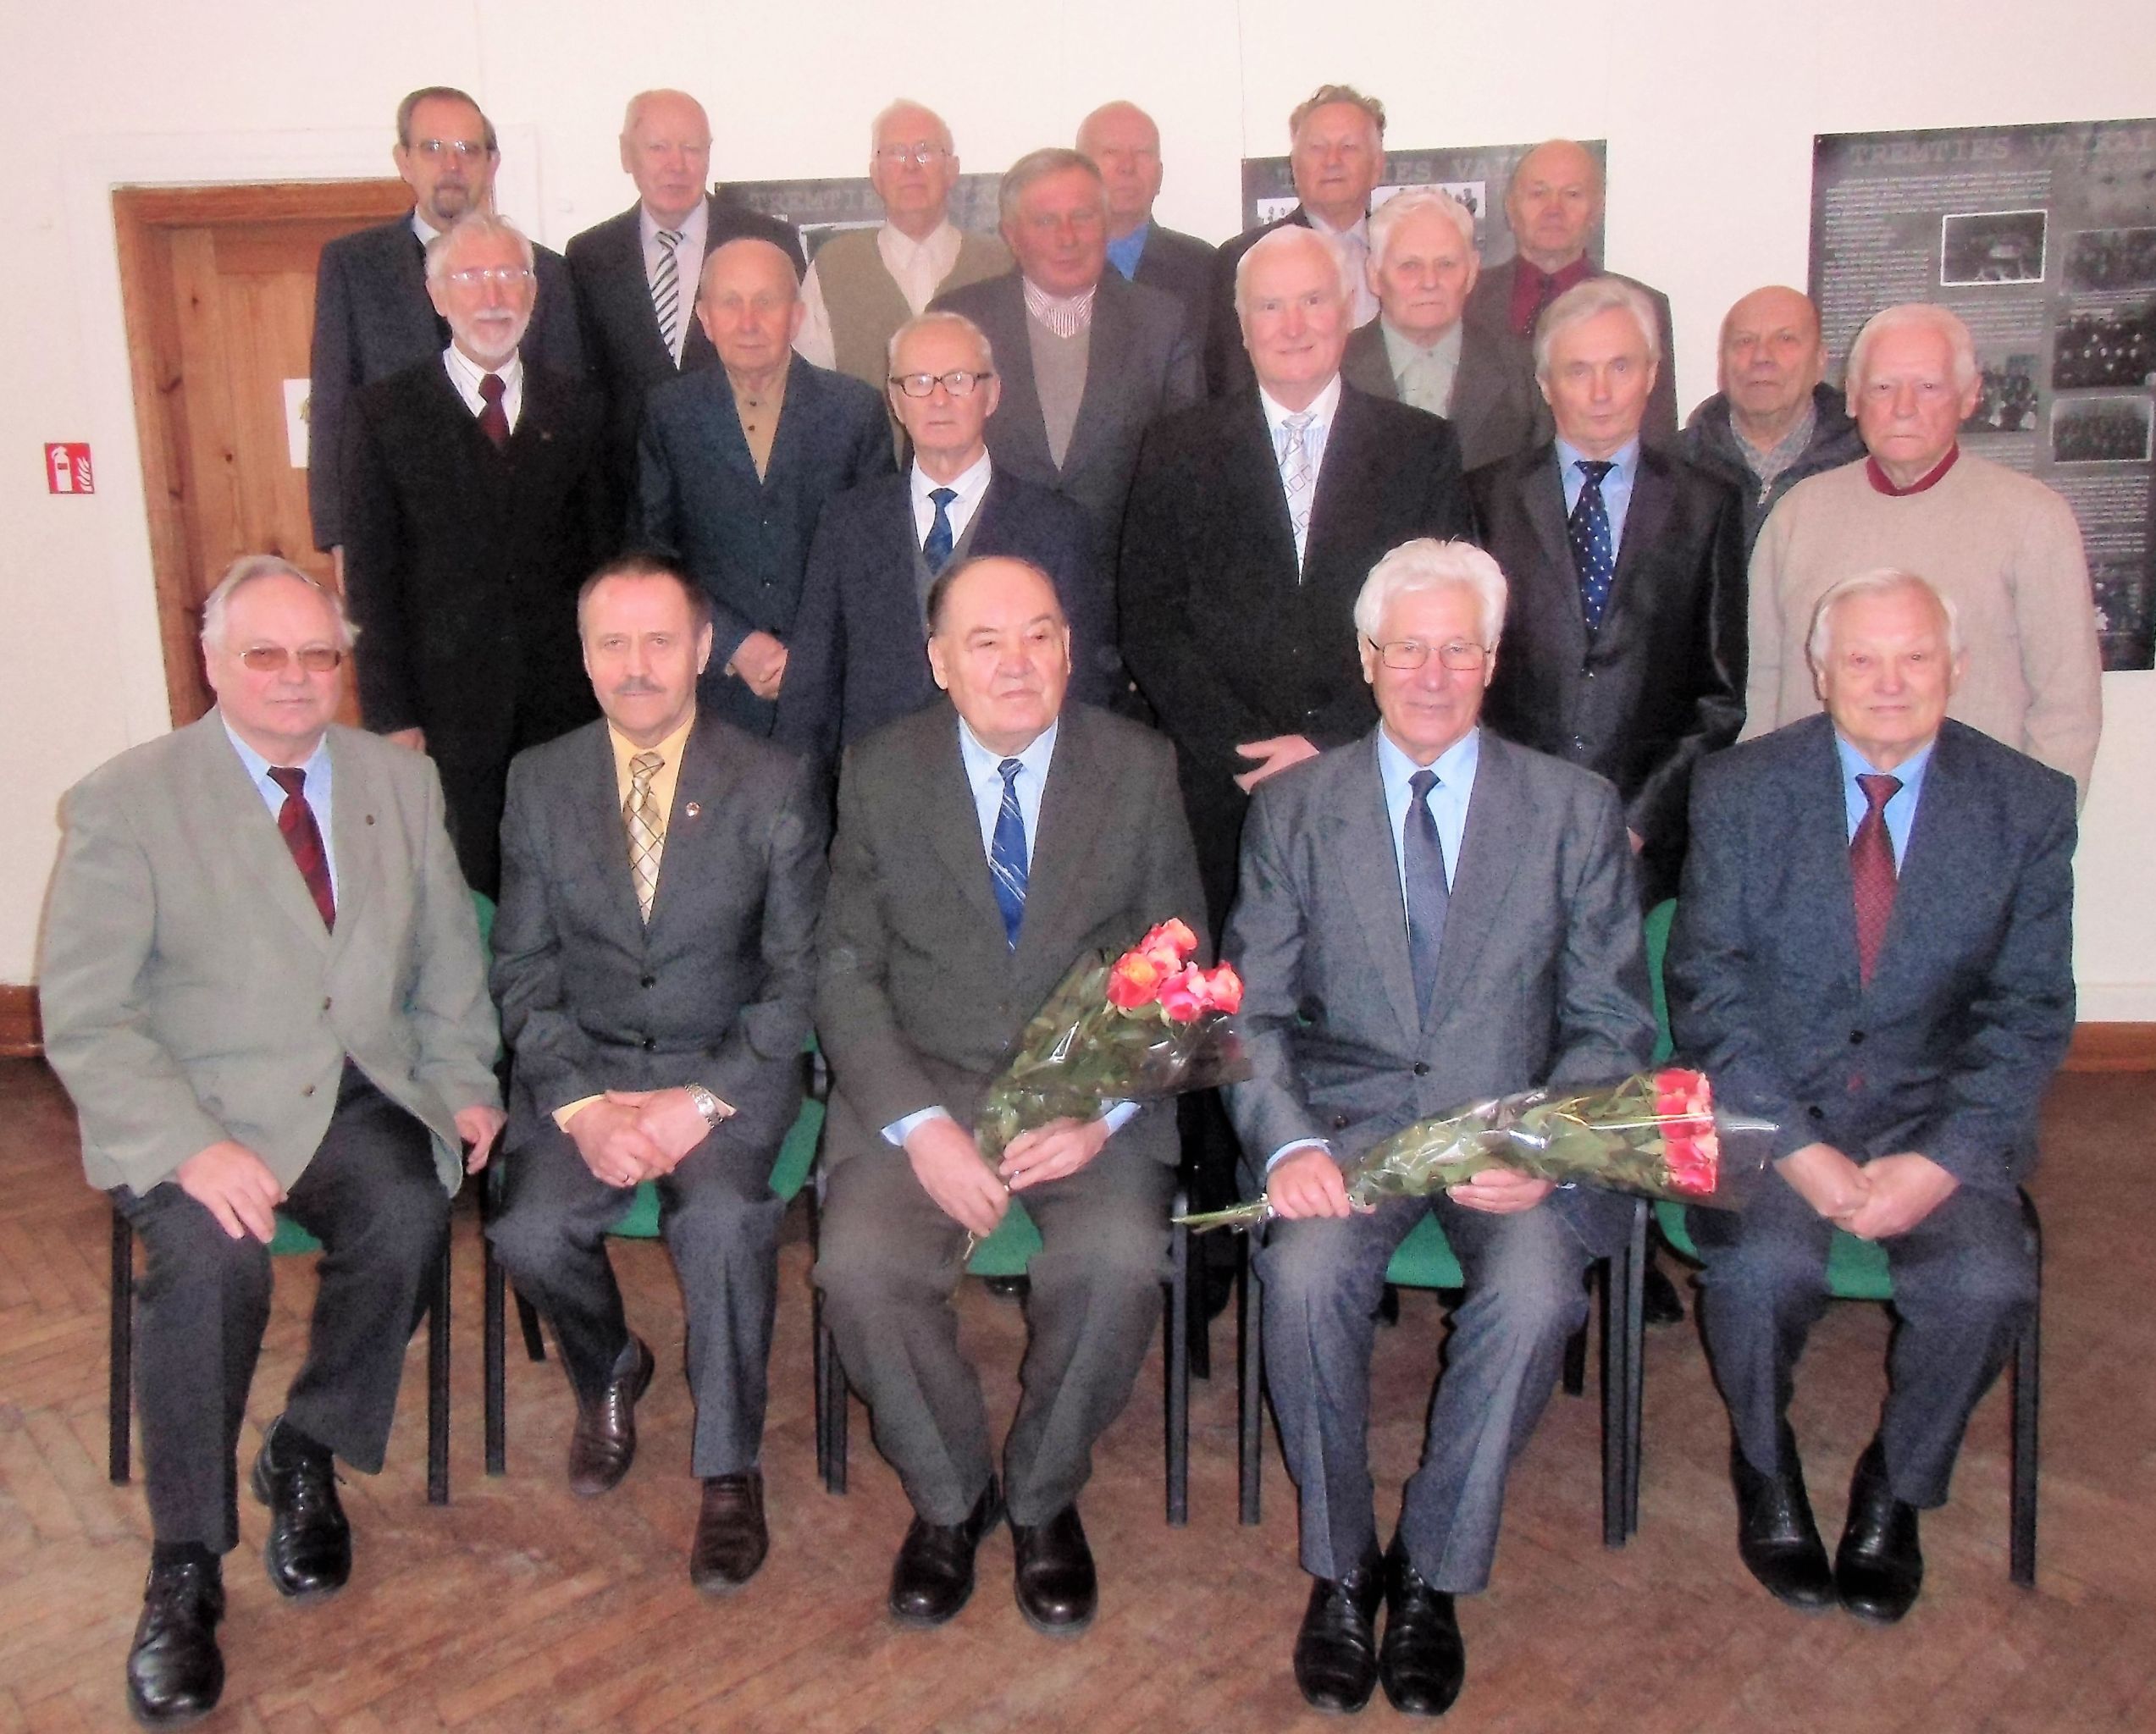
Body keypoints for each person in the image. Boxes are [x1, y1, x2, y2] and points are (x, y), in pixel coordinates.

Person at [41, 557, 503, 1726]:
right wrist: (188, 1145)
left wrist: (462, 1081)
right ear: (211, 661)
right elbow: (88, 1017)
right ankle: (185, 1566)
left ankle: (307, 1446)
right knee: (213, 1267)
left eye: (318, 655)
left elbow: (449, 959)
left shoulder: (399, 784)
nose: (295, 678)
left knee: (408, 1210)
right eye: (265, 654)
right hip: (193, 1109)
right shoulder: (127, 801)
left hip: (348, 1095)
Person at [1225, 538, 1654, 1716]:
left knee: (1534, 1296)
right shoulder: (1295, 811)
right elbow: (1250, 1012)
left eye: (1455, 649)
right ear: (1366, 658)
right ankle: (1340, 1565)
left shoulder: (1572, 809)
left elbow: (1612, 1019)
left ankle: (1428, 1568)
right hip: (1347, 1128)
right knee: (1301, 1277)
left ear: (1491, 660)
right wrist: (1288, 1142)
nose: (1430, 673)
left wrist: (1545, 1143)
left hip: (1513, 1128)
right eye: (1406, 648)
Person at [1668, 568, 2075, 1625]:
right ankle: (1764, 1464)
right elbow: (1708, 993)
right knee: (1760, 1270)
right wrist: (1796, 1148)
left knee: (1986, 1283)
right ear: (1819, 672)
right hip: (1772, 1108)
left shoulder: (2025, 804)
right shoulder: (1738, 791)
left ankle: (1895, 1483)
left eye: (1913, 657)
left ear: (1955, 667)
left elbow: (2028, 1009)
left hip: (1934, 1117)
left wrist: (1941, 1161)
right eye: (1860, 658)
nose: (1888, 682)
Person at [813, 555, 1206, 1637]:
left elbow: (1176, 956)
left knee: (1118, 1262)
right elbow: (843, 970)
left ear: (1069, 650)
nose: (1016, 661)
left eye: (1038, 634)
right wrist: (920, 1127)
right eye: (984, 641)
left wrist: (1102, 1110)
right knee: (860, 1268)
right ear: (940, 661)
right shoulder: (879, 770)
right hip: (924, 1079)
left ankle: (1040, 1491)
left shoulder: (1136, 767)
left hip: (1083, 1082)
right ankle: (949, 1495)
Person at [486, 554, 826, 1593]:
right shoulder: (539, 780)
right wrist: (582, 1105)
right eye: (612, 642)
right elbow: (522, 968)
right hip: (587, 1066)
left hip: (724, 1067)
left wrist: (703, 1097)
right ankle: (609, 1366)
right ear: (585, 654)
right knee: (527, 1229)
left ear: (703, 649)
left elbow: (798, 977)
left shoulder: (773, 779)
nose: (636, 665)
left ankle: (728, 1468)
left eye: (659, 640)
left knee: (719, 1221)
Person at [1120, 223, 1468, 935]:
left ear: (1348, 310)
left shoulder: (1420, 448)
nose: (1294, 325)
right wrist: (1243, 752)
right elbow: (1150, 621)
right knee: (1234, 983)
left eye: (1313, 300)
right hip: (1222, 789)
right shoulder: (1176, 448)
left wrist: (1330, 741)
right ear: (1242, 326)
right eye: (1271, 306)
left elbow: (1447, 617)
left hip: (1376, 769)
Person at [339, 211, 611, 897]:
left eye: (510, 275)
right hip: (446, 711)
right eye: (470, 277)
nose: (493, 296)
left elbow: (606, 564)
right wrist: (391, 717)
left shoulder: (580, 409)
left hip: (565, 705)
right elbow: (370, 578)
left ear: (533, 292)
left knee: (568, 877)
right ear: (437, 295)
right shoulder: (382, 414)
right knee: (465, 889)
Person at [1745, 302, 2103, 804]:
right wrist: (1760, 815)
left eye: (1929, 386)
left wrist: (2033, 829)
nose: (1904, 407)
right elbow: (1761, 689)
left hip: (1972, 823)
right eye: (1883, 387)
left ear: (1970, 395)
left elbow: (2066, 708)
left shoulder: (2033, 520)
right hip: (1811, 820)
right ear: (1852, 396)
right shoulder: (1797, 515)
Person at [1466, 276, 1746, 907]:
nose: (1600, 392)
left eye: (1620, 366)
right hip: (1508, 830)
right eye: (1578, 370)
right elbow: (1462, 669)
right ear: (1545, 384)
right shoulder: (1485, 498)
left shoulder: (1708, 505)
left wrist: (1639, 820)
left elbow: (1719, 697)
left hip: (1647, 851)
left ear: (1651, 374)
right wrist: (1513, 804)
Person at [933, 148, 1199, 698]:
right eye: (1046, 221)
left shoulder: (1162, 321)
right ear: (1011, 234)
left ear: (1107, 223)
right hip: (989, 618)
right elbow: (933, 468)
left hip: (1122, 621)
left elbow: (1186, 476)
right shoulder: (957, 320)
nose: (1068, 236)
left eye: (1083, 216)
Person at [776, 311, 1093, 762]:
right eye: (919, 382)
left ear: (992, 394)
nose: (939, 399)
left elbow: (1082, 686)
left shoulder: (1057, 526)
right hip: (878, 780)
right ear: (895, 400)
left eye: (958, 380)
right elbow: (811, 683)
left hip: (1011, 777)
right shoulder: (848, 521)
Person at [636, 236, 893, 737]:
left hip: (831, 693)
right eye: (731, 303)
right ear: (705, 319)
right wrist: (733, 643)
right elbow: (653, 554)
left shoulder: (856, 411)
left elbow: (876, 556)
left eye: (767, 302)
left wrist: (811, 653)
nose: (748, 322)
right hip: (711, 691)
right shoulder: (669, 414)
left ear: (797, 316)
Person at [309, 85, 583, 552]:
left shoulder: (547, 273)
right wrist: (340, 541)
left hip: (528, 539)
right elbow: (333, 411)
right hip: (399, 534)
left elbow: (571, 414)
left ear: (492, 164)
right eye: (433, 148)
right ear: (404, 161)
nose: (452, 165)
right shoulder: (354, 268)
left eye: (468, 150)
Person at [565, 90, 806, 503]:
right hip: (631, 495)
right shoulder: (589, 256)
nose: (676, 165)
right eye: (658, 148)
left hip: (749, 489)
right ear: (626, 154)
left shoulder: (769, 242)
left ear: (709, 154)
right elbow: (587, 388)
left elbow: (799, 368)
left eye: (691, 148)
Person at [1461, 140, 1678, 448]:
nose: (1554, 209)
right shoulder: (1465, 299)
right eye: (1538, 193)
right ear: (1510, 206)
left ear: (1597, 209)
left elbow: (1657, 438)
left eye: (1573, 194)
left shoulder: (1645, 307)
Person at [794, 101, 1010, 394]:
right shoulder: (834, 267)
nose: (910, 167)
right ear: (875, 173)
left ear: (953, 169)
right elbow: (812, 388)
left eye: (925, 151)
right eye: (895, 153)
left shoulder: (1000, 264)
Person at [1341, 186, 1544, 471]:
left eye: (1446, 264)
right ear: (1374, 275)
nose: (1429, 282)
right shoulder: (1335, 370)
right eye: (1410, 266)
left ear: (1472, 271)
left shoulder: (1522, 370)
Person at [1209, 84, 1387, 394]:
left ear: (1377, 167)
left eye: (1348, 147)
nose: (1332, 160)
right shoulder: (1243, 257)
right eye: (1317, 148)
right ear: (1294, 166)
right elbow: (1231, 380)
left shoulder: (1405, 258)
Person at [1682, 285, 1866, 557]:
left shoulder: (1865, 465)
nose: (1762, 357)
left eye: (1786, 339)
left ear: (1819, 362)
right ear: (1722, 364)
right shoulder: (1670, 470)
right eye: (1745, 341)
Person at [1076, 101, 1219, 363]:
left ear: (1160, 176)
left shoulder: (1207, 268)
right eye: (1110, 152)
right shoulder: (1045, 268)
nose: (1127, 167)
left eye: (1142, 153)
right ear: (1078, 172)